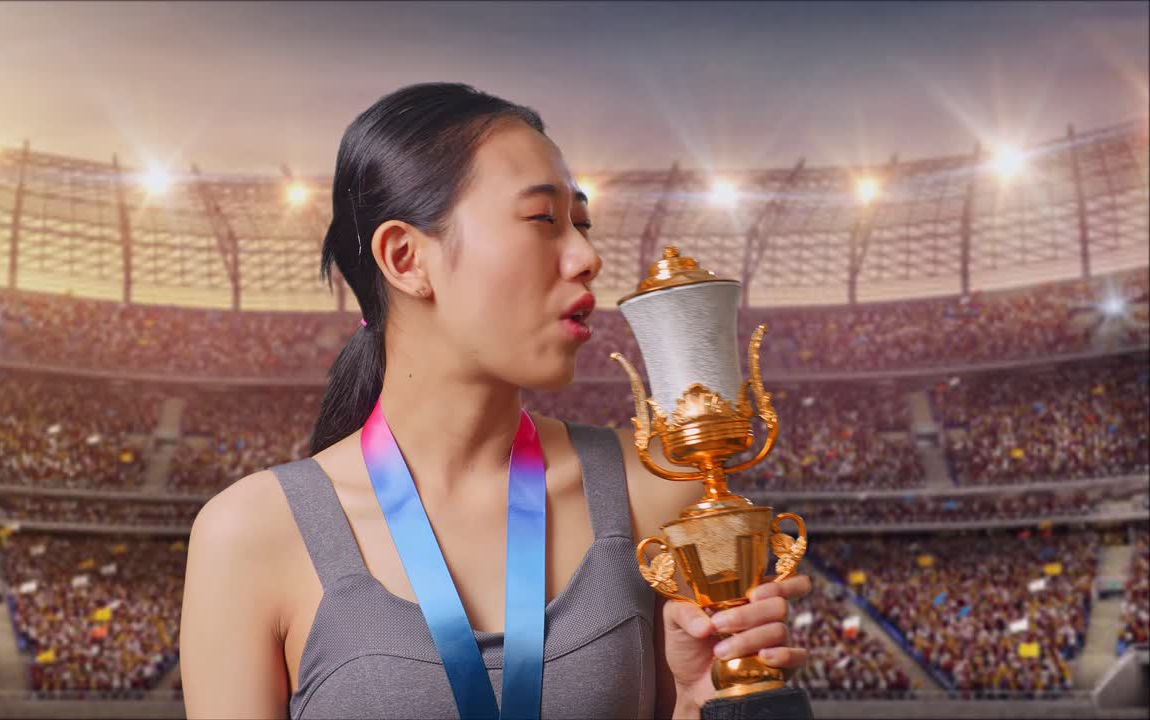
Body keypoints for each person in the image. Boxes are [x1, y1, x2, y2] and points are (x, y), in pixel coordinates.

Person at [180, 82, 810, 719]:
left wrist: (703, 701)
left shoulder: (657, 488)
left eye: (583, 224)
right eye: (543, 220)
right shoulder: (250, 536)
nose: (588, 257)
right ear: (405, 257)